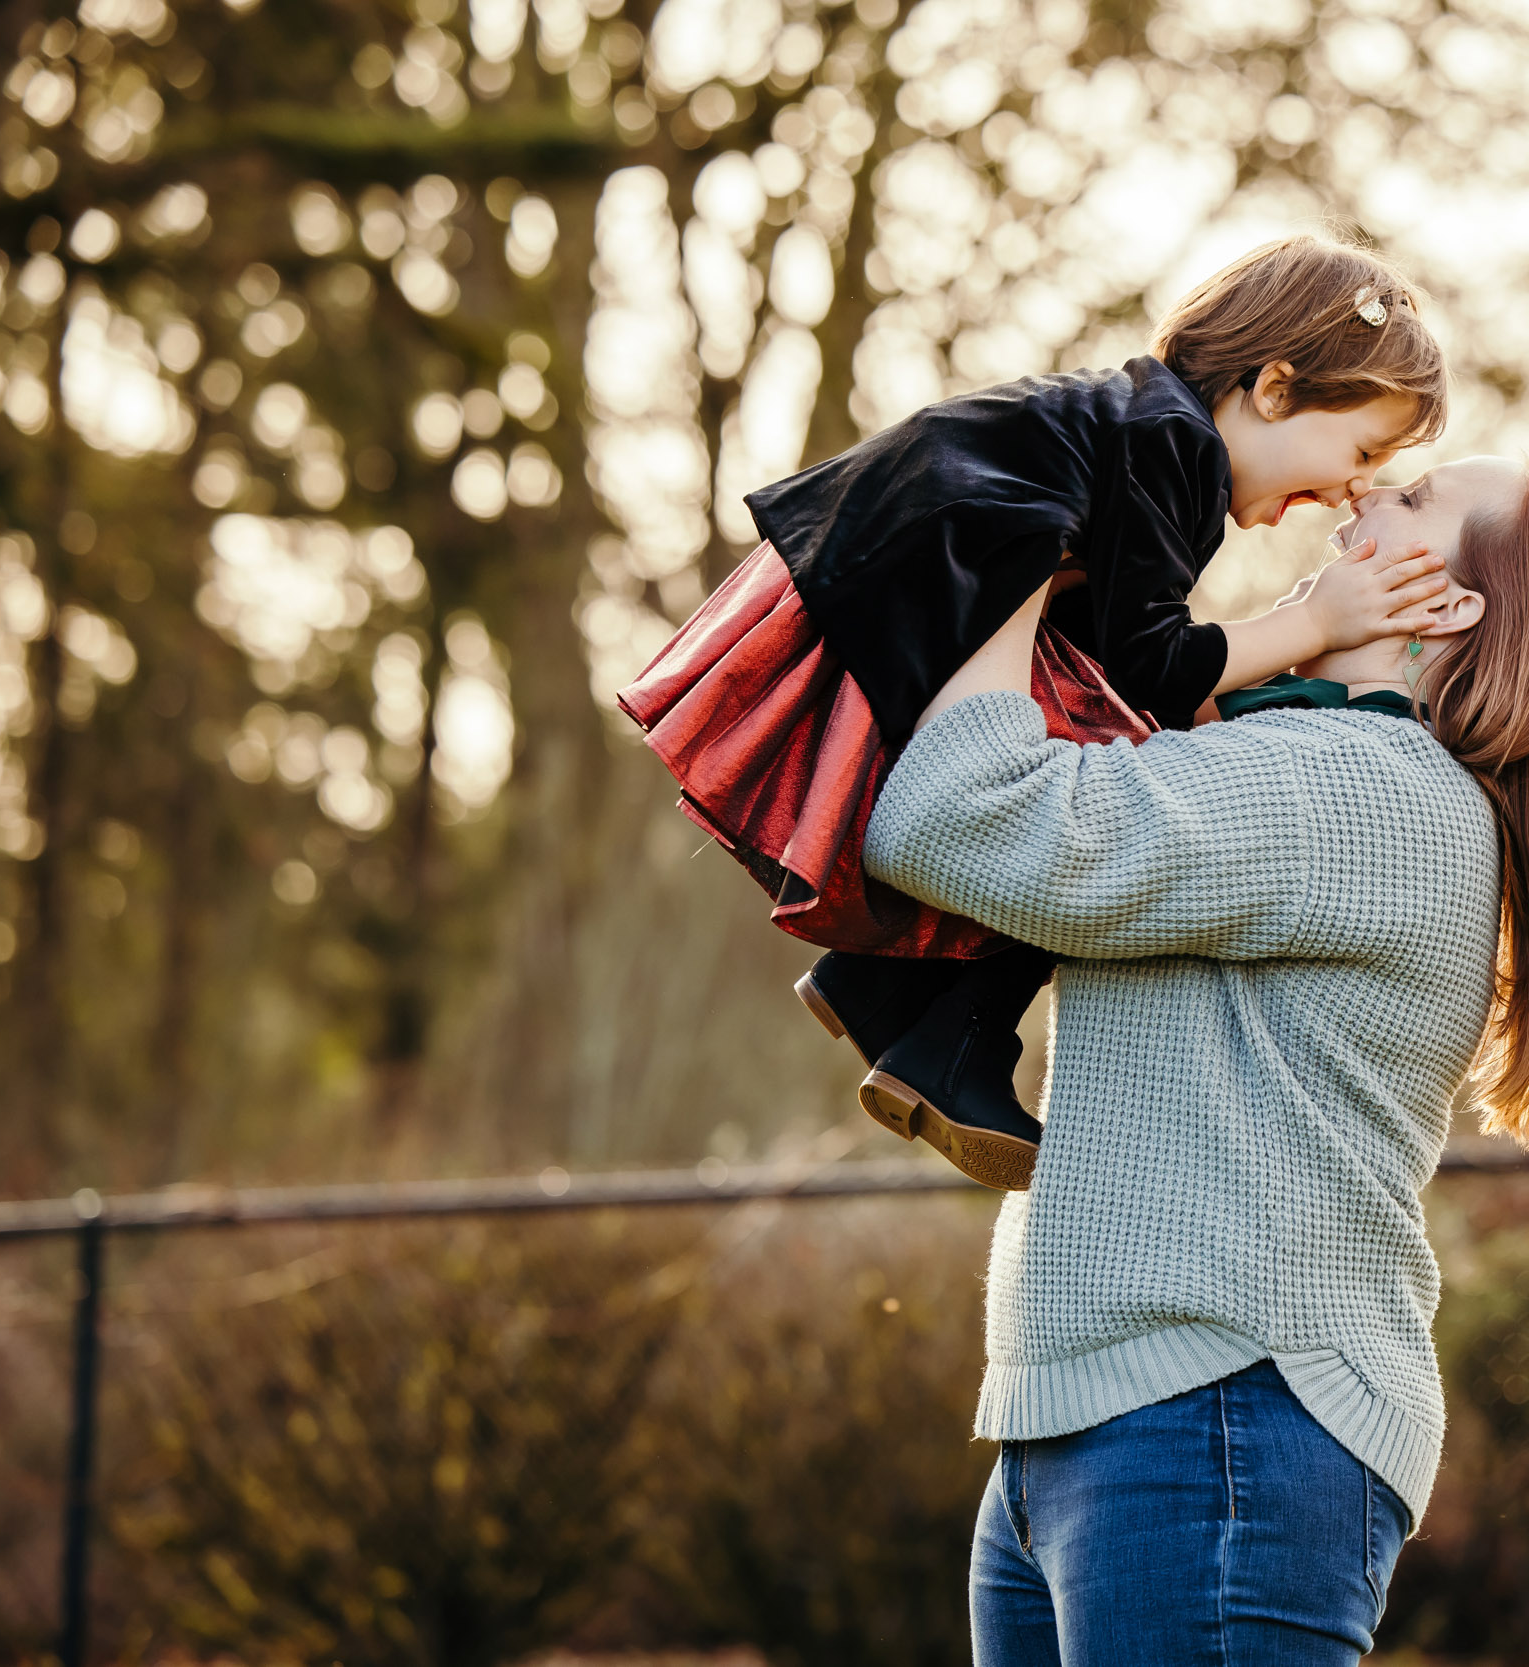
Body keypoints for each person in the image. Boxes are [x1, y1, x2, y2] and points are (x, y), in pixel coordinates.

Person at [861, 455, 1529, 1664]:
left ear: (1443, 606)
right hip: (1109, 1414)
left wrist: (1025, 559)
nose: (1362, 499)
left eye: (1413, 503)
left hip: (1219, 1414)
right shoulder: (1293, 754)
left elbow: (954, 818)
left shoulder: (1356, 790)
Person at [617, 237, 1450, 1188]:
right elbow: (1153, 665)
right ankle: (944, 1041)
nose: (1356, 485)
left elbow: (1120, 651)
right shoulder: (1172, 447)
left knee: (1095, 769)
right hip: (919, 571)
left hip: (901, 561)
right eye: (1362, 449)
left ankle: (895, 996)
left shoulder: (1144, 427)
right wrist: (1312, 621)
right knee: (1097, 798)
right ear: (1271, 389)